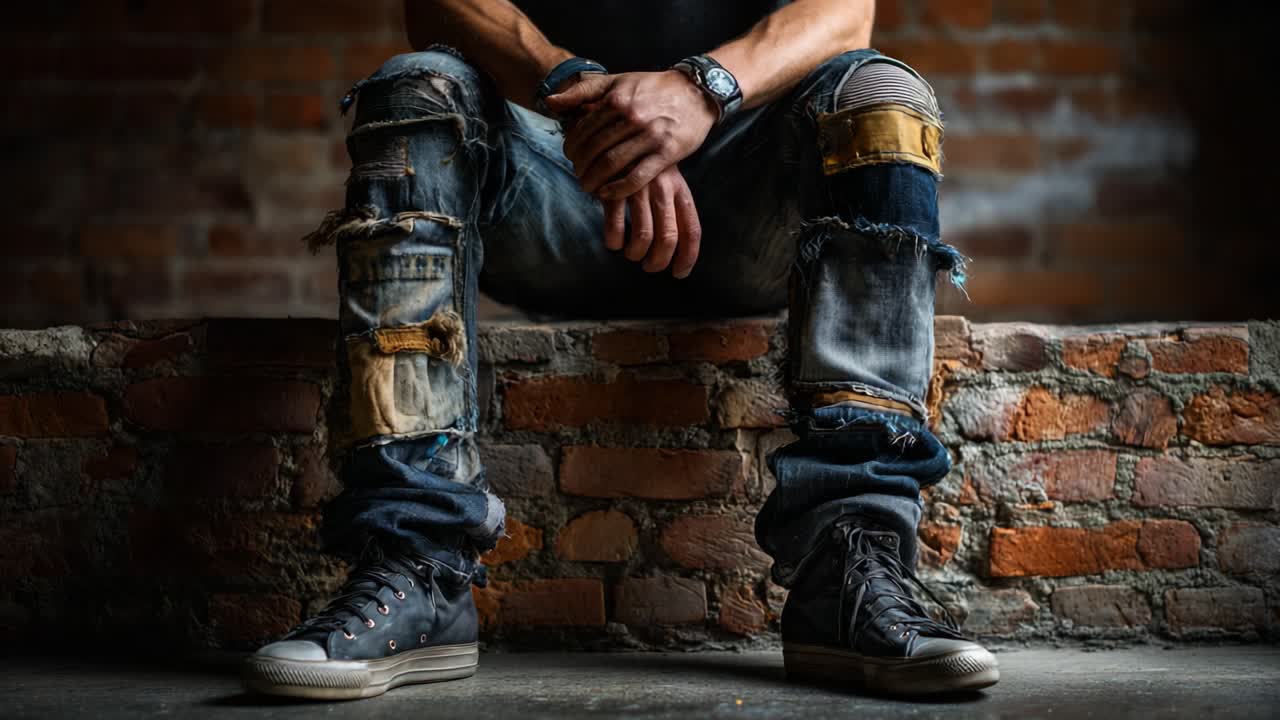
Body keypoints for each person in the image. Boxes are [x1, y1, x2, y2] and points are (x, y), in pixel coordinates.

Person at [241, 0, 997, 699]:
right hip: (556, 181)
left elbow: (844, 11)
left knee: (879, 95)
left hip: (748, 198)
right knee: (416, 88)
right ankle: (417, 567)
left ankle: (849, 571)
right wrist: (584, 97)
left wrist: (702, 91)